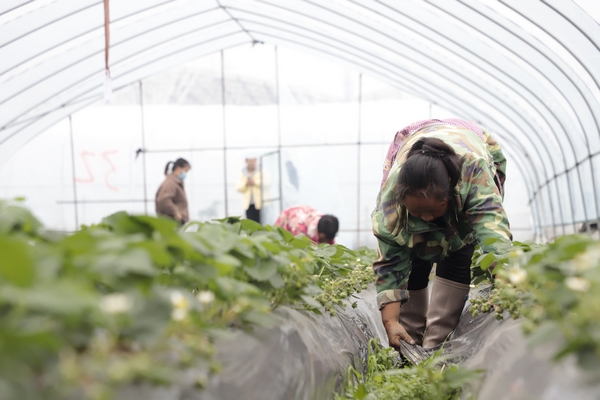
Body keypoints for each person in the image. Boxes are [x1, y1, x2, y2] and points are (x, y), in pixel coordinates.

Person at [372, 118, 512, 351]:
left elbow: (492, 232)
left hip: (468, 162)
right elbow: (390, 264)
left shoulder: (473, 173)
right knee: (415, 263)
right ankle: (409, 346)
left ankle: (437, 348)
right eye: (417, 212)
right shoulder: (392, 205)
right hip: (421, 159)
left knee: (458, 254)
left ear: (450, 185)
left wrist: (505, 284)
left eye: (433, 209)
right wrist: (391, 321)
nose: (426, 218)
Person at [275, 205, 339, 244]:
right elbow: (297, 247)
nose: (326, 241)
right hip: (287, 219)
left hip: (302, 213)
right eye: (325, 239)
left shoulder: (327, 226)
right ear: (320, 232)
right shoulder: (299, 229)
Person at [155, 158, 191, 225]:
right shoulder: (170, 183)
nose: (185, 174)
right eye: (185, 171)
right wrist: (176, 212)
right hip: (172, 221)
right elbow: (163, 199)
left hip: (176, 221)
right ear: (178, 168)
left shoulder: (175, 183)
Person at [236, 157, 262, 223]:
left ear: (256, 161)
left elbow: (267, 183)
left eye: (252, 161)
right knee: (251, 223)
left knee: (261, 222)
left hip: (260, 203)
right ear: (246, 161)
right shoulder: (243, 174)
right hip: (248, 204)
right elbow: (238, 187)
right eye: (249, 161)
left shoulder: (261, 172)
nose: (251, 163)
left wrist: (255, 182)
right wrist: (246, 184)